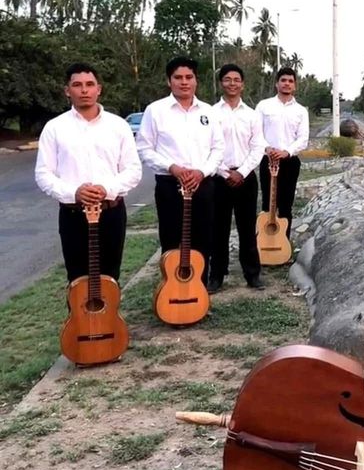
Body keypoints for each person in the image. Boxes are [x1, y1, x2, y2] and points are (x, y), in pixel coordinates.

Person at [35, 62, 142, 284]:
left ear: (99, 89)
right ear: (67, 91)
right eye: (77, 85)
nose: (84, 90)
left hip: (111, 213)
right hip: (74, 215)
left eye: (89, 84)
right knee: (78, 281)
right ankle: (80, 320)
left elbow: (133, 170)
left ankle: (109, 320)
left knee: (110, 278)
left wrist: (107, 189)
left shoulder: (118, 125)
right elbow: (44, 174)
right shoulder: (55, 128)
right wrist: (75, 192)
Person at [136, 56, 224, 286]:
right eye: (178, 78)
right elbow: (145, 148)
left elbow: (218, 148)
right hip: (169, 186)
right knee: (171, 241)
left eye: (189, 77)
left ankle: (199, 292)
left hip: (202, 185)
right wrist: (172, 167)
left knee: (203, 240)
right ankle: (172, 292)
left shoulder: (209, 112)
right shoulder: (155, 111)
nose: (183, 82)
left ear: (196, 81)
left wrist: (201, 172)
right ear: (169, 81)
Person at [208, 64, 267, 293]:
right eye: (227, 79)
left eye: (236, 80)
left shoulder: (252, 115)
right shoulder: (211, 114)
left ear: (242, 84)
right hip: (219, 178)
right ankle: (217, 276)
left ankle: (252, 274)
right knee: (218, 229)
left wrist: (241, 172)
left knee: (247, 227)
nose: (232, 83)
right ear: (221, 83)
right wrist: (225, 172)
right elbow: (208, 147)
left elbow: (258, 146)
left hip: (246, 178)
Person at [254, 67, 309, 239]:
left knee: (286, 205)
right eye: (283, 80)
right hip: (268, 160)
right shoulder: (264, 106)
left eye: (290, 81)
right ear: (277, 84)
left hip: (289, 162)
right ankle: (264, 242)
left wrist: (287, 152)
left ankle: (283, 244)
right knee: (267, 204)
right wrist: (268, 149)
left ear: (295, 86)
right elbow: (256, 133)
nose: (287, 83)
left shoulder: (301, 110)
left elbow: (303, 139)